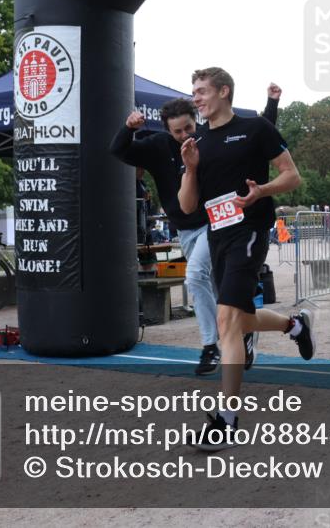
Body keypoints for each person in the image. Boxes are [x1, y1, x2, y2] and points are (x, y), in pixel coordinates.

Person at [177, 67, 310, 449]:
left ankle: (226, 419)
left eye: (202, 91)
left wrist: (261, 191)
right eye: (194, 92)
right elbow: (188, 205)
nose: (197, 98)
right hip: (216, 235)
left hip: (249, 230)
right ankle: (294, 326)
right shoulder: (196, 139)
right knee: (239, 320)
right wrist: (189, 168)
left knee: (225, 321)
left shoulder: (255, 128)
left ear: (224, 91)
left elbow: (292, 176)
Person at [111, 84, 280, 376]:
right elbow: (118, 150)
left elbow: (256, 138)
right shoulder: (156, 147)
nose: (184, 136)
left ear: (196, 121)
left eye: (189, 127)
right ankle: (245, 333)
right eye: (177, 132)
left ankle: (209, 345)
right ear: (166, 131)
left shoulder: (208, 140)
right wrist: (128, 128)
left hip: (215, 223)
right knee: (219, 293)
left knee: (195, 275)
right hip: (185, 230)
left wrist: (272, 104)